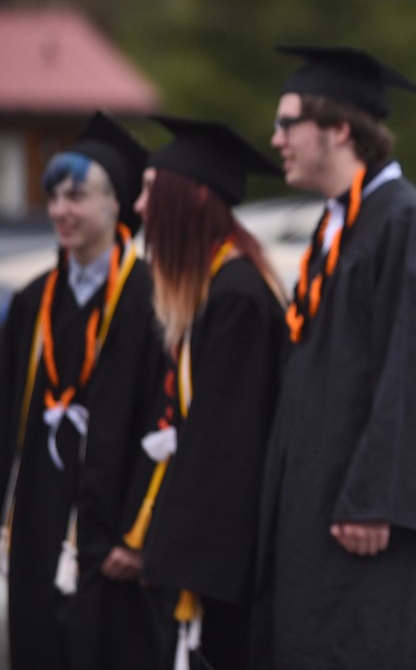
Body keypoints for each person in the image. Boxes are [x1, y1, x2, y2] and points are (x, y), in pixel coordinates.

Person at [254, 45, 416, 669]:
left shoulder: (406, 224)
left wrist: (376, 497)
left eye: (289, 123)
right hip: (320, 508)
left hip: (366, 524)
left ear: (339, 129)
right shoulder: (336, 225)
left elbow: (411, 371)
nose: (276, 138)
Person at [0, 112, 167, 670]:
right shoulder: (32, 302)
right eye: (52, 197)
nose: (60, 211)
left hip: (112, 532)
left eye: (76, 195)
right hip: (37, 522)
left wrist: (138, 532)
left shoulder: (151, 302)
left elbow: (162, 421)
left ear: (117, 201)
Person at [123, 115, 287, 670]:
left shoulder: (237, 296)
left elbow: (227, 448)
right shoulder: (219, 287)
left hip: (229, 569)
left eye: (150, 191)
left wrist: (177, 557)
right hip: (217, 561)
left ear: (192, 196)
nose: (141, 208)